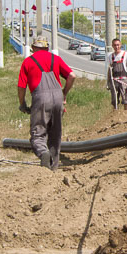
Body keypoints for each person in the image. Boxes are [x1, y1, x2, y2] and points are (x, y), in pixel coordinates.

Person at [17, 35, 76, 171]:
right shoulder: (56, 59)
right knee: (55, 134)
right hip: (58, 97)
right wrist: (64, 94)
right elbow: (72, 76)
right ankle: (53, 168)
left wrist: (22, 104)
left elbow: (21, 87)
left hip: (40, 97)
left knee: (38, 133)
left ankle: (43, 153)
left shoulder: (28, 62)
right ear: (47, 48)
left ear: (33, 48)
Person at [108, 38, 127, 111]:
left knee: (125, 99)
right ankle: (115, 115)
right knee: (114, 100)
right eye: (115, 45)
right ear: (112, 46)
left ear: (120, 45)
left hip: (123, 79)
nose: (116, 47)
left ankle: (126, 115)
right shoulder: (111, 56)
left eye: (118, 45)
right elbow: (109, 69)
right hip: (114, 80)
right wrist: (108, 81)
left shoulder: (125, 54)